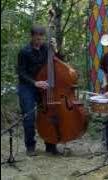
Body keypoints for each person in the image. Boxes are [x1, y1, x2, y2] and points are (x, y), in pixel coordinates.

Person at [17, 25, 63, 156]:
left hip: (43, 87)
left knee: (49, 114)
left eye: (42, 39)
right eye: (37, 39)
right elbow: (21, 72)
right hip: (27, 86)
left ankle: (50, 145)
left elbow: (60, 62)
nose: (40, 42)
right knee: (29, 117)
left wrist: (55, 49)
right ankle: (30, 146)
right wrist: (35, 82)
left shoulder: (46, 49)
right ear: (31, 37)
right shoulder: (24, 51)